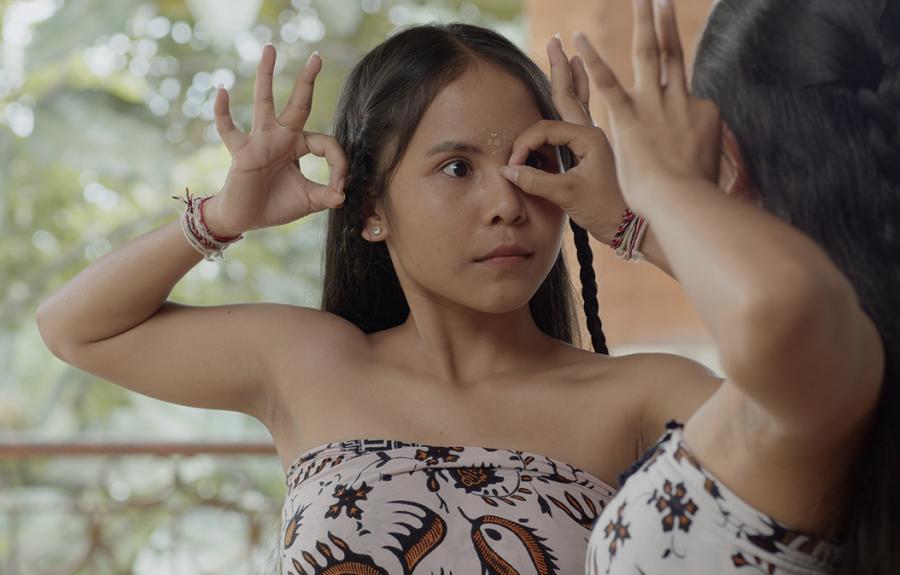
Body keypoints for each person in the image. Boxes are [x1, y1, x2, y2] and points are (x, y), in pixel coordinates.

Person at [35, 23, 721, 572]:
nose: (507, 202)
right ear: (370, 208)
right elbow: (76, 327)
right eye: (458, 168)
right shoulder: (310, 364)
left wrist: (635, 226)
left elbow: (815, 401)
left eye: (534, 163)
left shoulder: (642, 395)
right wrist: (221, 214)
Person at [501, 0, 899, 573]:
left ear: (727, 155)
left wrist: (663, 182)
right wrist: (630, 221)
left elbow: (787, 307)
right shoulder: (837, 359)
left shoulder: (826, 374)